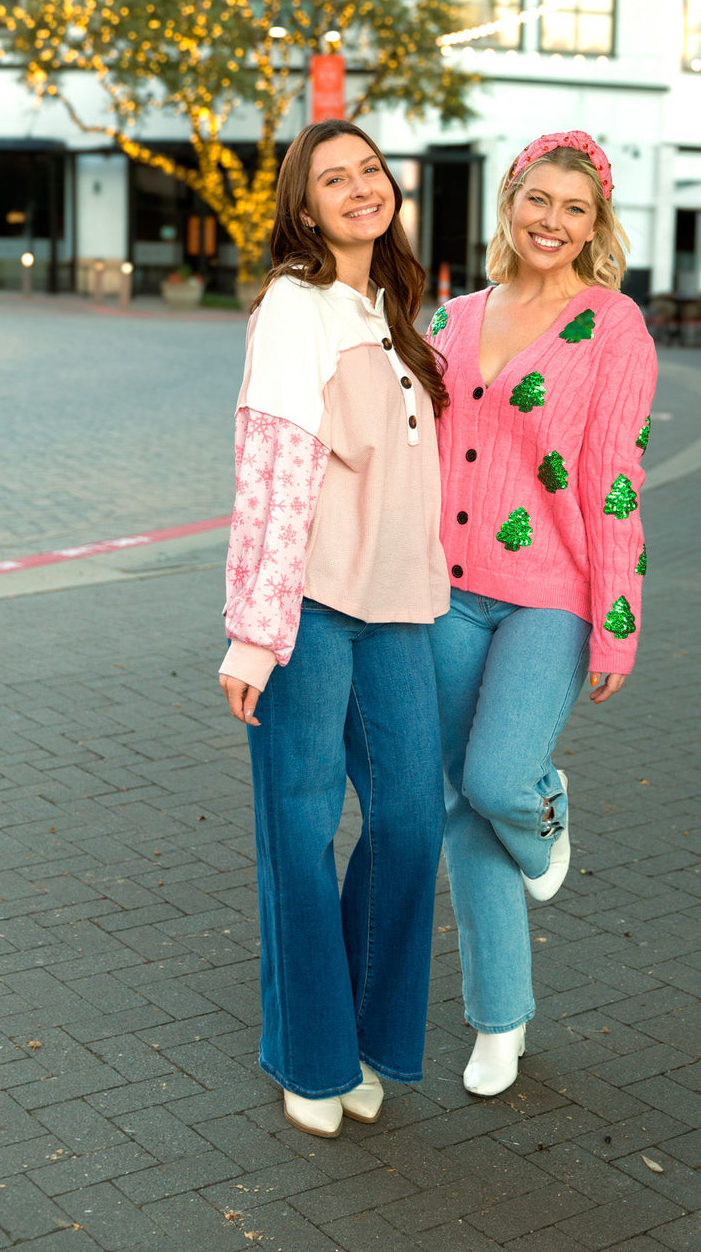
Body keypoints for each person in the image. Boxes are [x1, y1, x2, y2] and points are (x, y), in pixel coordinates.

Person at [219, 119, 449, 1137]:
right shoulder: (295, 306)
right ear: (304, 207)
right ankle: (309, 1056)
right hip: (309, 610)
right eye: (333, 179)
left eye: (370, 171)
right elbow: (270, 474)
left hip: (400, 610)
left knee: (410, 821)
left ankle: (363, 1034)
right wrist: (251, 634)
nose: (360, 188)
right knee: (302, 834)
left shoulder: (396, 314)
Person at [428, 130, 657, 1096]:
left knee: (495, 778)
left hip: (550, 596)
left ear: (595, 223)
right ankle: (499, 1021)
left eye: (574, 208)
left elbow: (616, 475)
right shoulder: (448, 315)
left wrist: (619, 619)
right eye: (538, 200)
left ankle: (543, 803)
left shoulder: (613, 327)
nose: (551, 222)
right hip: (439, 588)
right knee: (456, 806)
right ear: (510, 204)